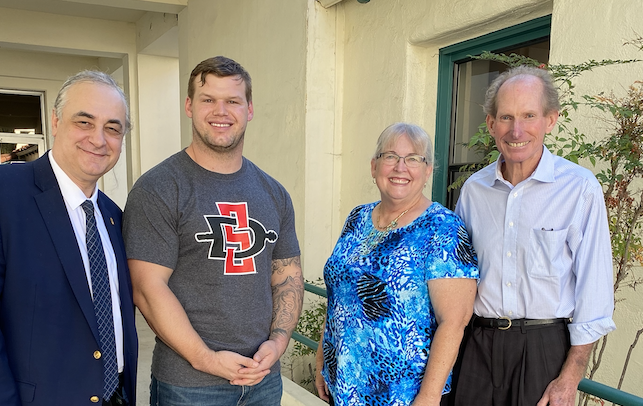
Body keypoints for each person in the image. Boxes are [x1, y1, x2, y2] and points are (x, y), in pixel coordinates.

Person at [122, 56, 304, 406]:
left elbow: (288, 275)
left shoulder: (274, 193)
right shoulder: (159, 188)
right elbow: (147, 289)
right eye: (209, 99)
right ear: (189, 106)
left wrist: (278, 343)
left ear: (249, 109)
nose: (221, 111)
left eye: (233, 101)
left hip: (262, 381)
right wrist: (207, 359)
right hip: (189, 387)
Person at [0, 71, 138, 405]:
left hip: (116, 397)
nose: (98, 139)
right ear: (55, 122)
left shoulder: (113, 215)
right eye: (84, 122)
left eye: (113, 128)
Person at [453, 65, 616, 406]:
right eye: (506, 117)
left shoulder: (579, 189)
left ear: (550, 120)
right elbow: (456, 279)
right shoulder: (473, 190)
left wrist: (570, 378)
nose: (517, 130)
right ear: (491, 124)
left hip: (544, 349)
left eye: (529, 115)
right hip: (476, 345)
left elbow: (594, 290)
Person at [314, 123, 479, 406]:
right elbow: (340, 296)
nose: (400, 167)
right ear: (374, 166)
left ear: (427, 171)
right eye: (390, 156)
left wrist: (428, 397)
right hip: (342, 385)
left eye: (414, 158)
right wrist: (322, 357)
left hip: (400, 395)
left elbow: (454, 321)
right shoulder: (357, 218)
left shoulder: (443, 229)